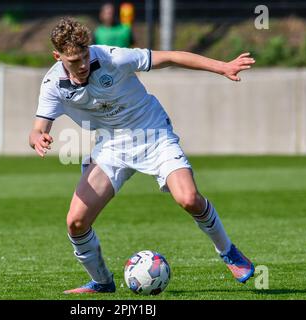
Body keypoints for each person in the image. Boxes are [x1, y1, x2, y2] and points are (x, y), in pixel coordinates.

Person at [29, 18, 256, 294]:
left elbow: (170, 57)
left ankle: (228, 251)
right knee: (75, 221)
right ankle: (102, 282)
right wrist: (38, 137)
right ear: (58, 57)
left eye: (85, 55)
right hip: (112, 146)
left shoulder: (113, 57)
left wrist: (222, 67)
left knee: (188, 199)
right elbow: (38, 128)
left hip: (153, 133)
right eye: (74, 60)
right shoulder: (53, 84)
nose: (83, 64)